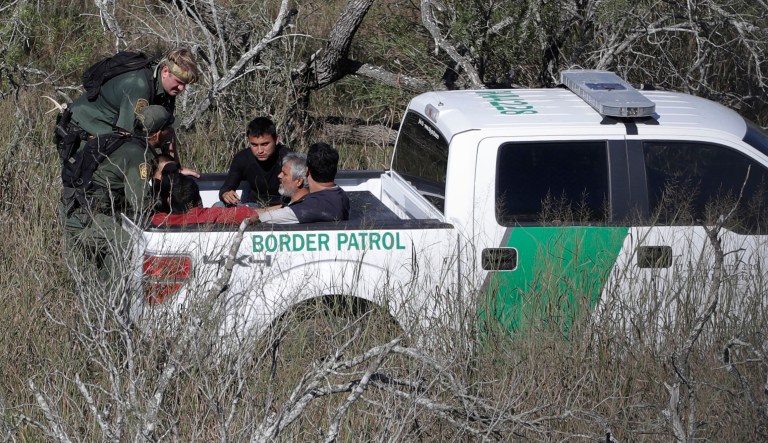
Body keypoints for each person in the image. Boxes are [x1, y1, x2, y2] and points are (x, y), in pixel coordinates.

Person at [61, 105, 177, 281]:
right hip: (87, 217)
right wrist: (166, 203)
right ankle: (110, 299)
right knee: (128, 244)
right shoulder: (139, 154)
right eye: (169, 129)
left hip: (73, 210)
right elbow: (140, 203)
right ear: (158, 133)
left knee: (81, 281)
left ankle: (101, 296)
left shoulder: (123, 143)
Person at [68, 48, 199, 137]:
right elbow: (128, 136)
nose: (181, 88)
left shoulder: (167, 89)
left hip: (107, 133)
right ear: (165, 72)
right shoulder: (139, 86)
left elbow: (167, 131)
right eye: (179, 82)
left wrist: (175, 167)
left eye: (185, 84)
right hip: (82, 128)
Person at [253, 143, 349, 224]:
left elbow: (264, 218)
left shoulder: (314, 205)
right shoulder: (340, 194)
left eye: (285, 174)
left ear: (307, 172)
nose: (279, 176)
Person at [218, 117, 290, 207]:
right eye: (254, 145)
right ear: (248, 141)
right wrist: (226, 194)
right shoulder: (242, 158)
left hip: (283, 208)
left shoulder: (290, 158)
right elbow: (226, 188)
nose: (260, 151)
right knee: (219, 205)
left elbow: (301, 194)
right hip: (252, 206)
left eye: (265, 144)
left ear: (276, 140)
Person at [151, 173, 255, 226]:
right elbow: (251, 214)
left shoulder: (155, 221)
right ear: (198, 200)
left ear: (168, 200)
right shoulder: (210, 215)